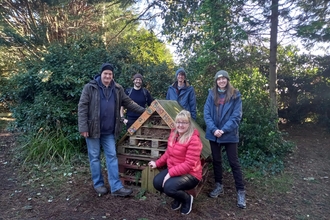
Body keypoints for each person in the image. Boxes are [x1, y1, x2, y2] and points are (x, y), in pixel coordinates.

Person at [78, 63, 145, 197]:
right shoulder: (90, 87)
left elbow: (129, 103)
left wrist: (146, 111)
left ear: (112, 75)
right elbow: (82, 107)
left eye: (110, 74)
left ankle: (116, 187)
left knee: (112, 157)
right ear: (101, 74)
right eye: (105, 73)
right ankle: (98, 184)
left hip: (109, 131)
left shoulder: (118, 89)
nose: (108, 76)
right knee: (95, 158)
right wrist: (83, 127)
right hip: (92, 130)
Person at [203, 70, 246, 209]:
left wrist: (223, 130)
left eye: (223, 79)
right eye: (218, 79)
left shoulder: (235, 95)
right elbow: (207, 113)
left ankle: (240, 191)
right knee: (216, 161)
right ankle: (218, 185)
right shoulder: (211, 94)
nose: (221, 81)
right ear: (216, 81)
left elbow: (236, 116)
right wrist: (214, 129)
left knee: (234, 162)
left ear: (227, 80)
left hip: (229, 134)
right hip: (213, 133)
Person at [148, 110, 203, 215]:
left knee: (169, 187)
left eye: (184, 122)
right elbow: (168, 153)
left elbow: (189, 164)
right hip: (175, 170)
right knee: (157, 183)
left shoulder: (194, 139)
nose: (180, 125)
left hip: (191, 174)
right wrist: (157, 163)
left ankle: (187, 199)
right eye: (178, 122)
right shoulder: (174, 134)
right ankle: (177, 197)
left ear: (189, 123)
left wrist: (169, 174)